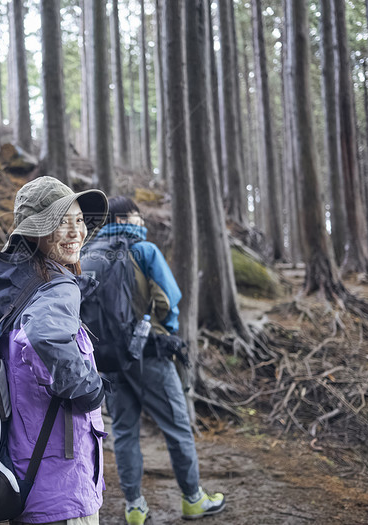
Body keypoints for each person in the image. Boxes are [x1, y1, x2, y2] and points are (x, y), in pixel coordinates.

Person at [0, 176, 109, 525]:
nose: (75, 232)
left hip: (21, 474)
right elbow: (46, 336)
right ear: (34, 232)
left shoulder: (4, 283)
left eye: (79, 220)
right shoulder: (56, 286)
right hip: (61, 482)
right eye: (60, 222)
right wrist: (90, 390)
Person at [85, 196, 226, 524]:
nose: (139, 221)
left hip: (109, 361)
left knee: (123, 432)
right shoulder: (143, 250)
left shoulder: (88, 252)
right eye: (136, 216)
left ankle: (134, 507)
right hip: (150, 356)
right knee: (177, 427)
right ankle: (193, 499)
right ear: (125, 218)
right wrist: (166, 331)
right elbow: (167, 300)